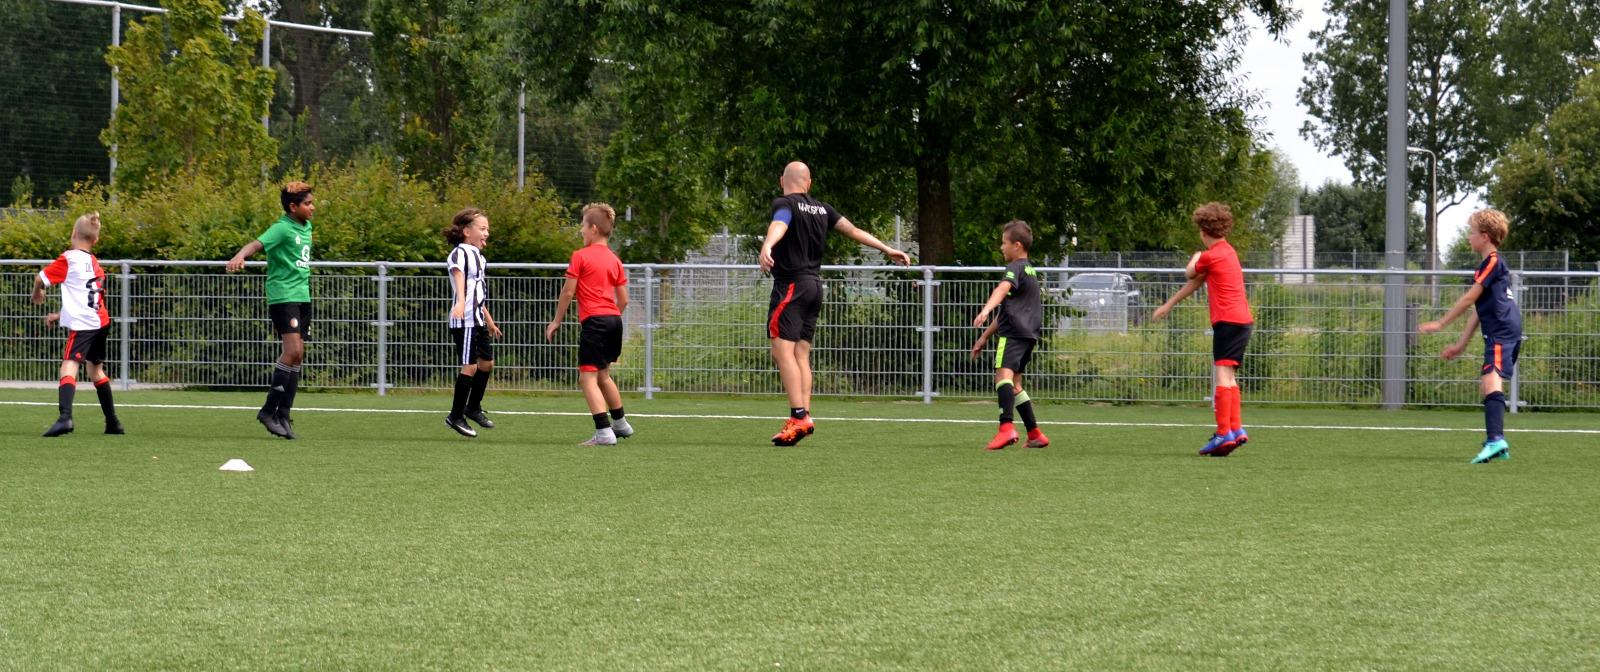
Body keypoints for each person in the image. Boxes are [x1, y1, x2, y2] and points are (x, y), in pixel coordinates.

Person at [759, 161, 912, 446]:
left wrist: (768, 244)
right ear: (810, 183)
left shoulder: (784, 203)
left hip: (791, 284)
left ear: (783, 181)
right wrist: (887, 248)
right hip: (815, 286)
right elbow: (853, 230)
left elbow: (780, 222)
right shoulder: (822, 209)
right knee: (801, 354)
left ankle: (798, 417)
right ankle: (804, 418)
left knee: (782, 352)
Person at [1419, 209, 1522, 463]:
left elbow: (1468, 299)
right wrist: (1461, 344)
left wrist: (1441, 323)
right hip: (1503, 329)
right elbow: (1479, 309)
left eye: (1472, 232)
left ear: (1485, 237)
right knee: (1487, 386)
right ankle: (1498, 442)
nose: (1468, 237)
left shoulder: (1493, 262)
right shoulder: (1490, 265)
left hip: (1501, 330)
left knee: (1491, 383)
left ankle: (1496, 441)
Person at [1152, 202, 1254, 457]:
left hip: (1227, 322)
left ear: (1203, 231)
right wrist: (1169, 304)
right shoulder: (1228, 252)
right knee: (1230, 378)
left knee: (1221, 376)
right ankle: (1236, 430)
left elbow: (1190, 273)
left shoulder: (1209, 255)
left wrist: (1196, 256)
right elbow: (1198, 282)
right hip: (1242, 322)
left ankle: (1223, 434)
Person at [227, 181, 314, 439]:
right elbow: (257, 244)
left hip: (302, 296)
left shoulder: (306, 226)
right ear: (292, 206)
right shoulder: (281, 228)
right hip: (283, 296)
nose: (312, 207)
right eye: (307, 203)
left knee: (299, 355)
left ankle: (284, 414)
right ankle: (267, 411)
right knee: (292, 351)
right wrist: (240, 256)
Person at [546, 203, 634, 446]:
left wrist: (556, 321)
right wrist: (610, 317)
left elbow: (567, 293)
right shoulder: (615, 259)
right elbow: (624, 299)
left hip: (595, 322)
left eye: (583, 226)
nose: (581, 231)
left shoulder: (580, 256)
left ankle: (604, 432)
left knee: (587, 379)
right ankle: (621, 424)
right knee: (603, 374)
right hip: (614, 321)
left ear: (593, 229)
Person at [33, 212, 123, 437]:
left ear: (73, 234)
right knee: (96, 371)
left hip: (85, 325)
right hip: (101, 321)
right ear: (95, 241)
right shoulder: (94, 263)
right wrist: (60, 314)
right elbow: (89, 298)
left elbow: (40, 278)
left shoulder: (69, 258)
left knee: (69, 366)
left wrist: (38, 294)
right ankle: (113, 423)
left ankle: (65, 418)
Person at [970, 220, 1049, 450]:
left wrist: (985, 309)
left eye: (1003, 243)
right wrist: (984, 337)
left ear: (1016, 245)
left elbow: (1002, 289)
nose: (1001, 247)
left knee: (1002, 378)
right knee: (1015, 385)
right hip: (1029, 334)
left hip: (1014, 333)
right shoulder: (1030, 270)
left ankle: (1006, 429)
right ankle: (1035, 434)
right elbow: (1007, 309)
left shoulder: (1014, 268)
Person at [442, 208, 502, 438]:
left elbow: (476, 290)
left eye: (488, 228)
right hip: (464, 320)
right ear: (467, 231)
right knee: (470, 367)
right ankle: (455, 416)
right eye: (483, 228)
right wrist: (460, 302)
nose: (487, 232)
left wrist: (489, 320)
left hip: (476, 320)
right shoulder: (461, 253)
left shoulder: (478, 256)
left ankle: (473, 408)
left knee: (487, 363)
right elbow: (459, 277)